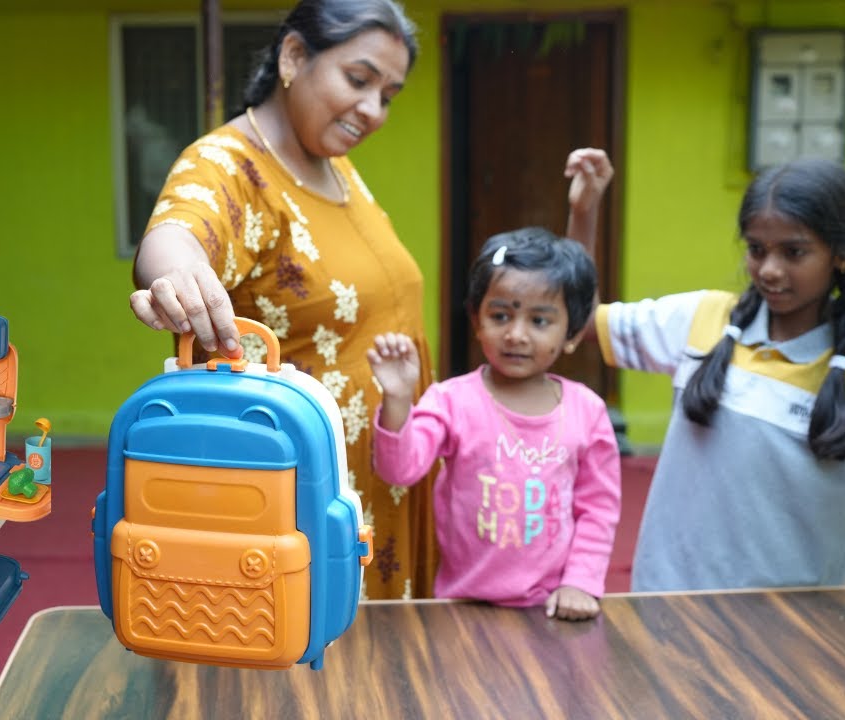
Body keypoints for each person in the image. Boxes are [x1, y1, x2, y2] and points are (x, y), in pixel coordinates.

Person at [128, 0, 436, 600]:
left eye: (389, 94)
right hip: (304, 502)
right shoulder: (230, 166)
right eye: (358, 79)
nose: (373, 110)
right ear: (294, 56)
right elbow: (180, 230)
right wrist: (179, 277)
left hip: (385, 478)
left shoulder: (335, 167)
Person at [594, 157, 845, 592]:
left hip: (788, 637)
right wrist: (585, 209)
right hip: (665, 612)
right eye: (756, 249)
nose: (769, 269)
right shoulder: (700, 319)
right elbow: (578, 322)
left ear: (840, 256)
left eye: (794, 252)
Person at [367, 228, 622, 620]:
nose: (516, 334)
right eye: (500, 315)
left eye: (539, 321)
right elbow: (399, 470)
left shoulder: (588, 411)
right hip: (462, 606)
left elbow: (598, 509)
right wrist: (399, 399)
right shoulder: (451, 400)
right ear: (477, 319)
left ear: (571, 333)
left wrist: (580, 582)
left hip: (553, 607)